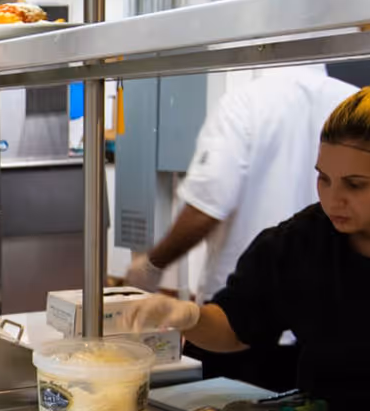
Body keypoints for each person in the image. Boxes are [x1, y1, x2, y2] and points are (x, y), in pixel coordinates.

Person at [132, 65, 370, 411]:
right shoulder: (301, 242)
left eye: (355, 185)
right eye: (324, 179)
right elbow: (237, 325)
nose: (333, 200)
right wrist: (190, 317)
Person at [125, 64, 357, 387]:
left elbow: (207, 206)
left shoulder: (247, 102)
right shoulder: (352, 101)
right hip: (319, 328)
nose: (335, 199)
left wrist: (153, 264)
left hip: (241, 318)